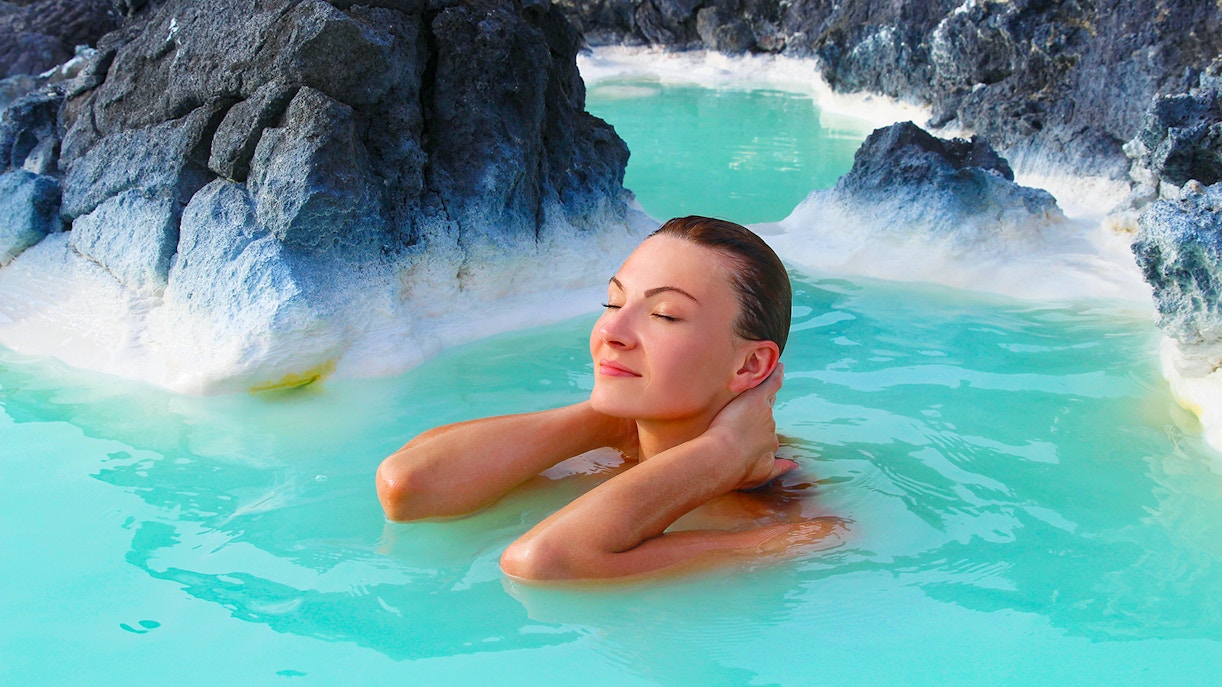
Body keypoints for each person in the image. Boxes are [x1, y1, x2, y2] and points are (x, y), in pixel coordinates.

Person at [376, 216, 842, 581]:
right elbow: (409, 487)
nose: (611, 332)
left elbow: (544, 561)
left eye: (664, 314)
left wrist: (721, 455)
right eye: (613, 303)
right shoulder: (605, 450)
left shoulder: (794, 523)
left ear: (750, 366)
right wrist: (605, 417)